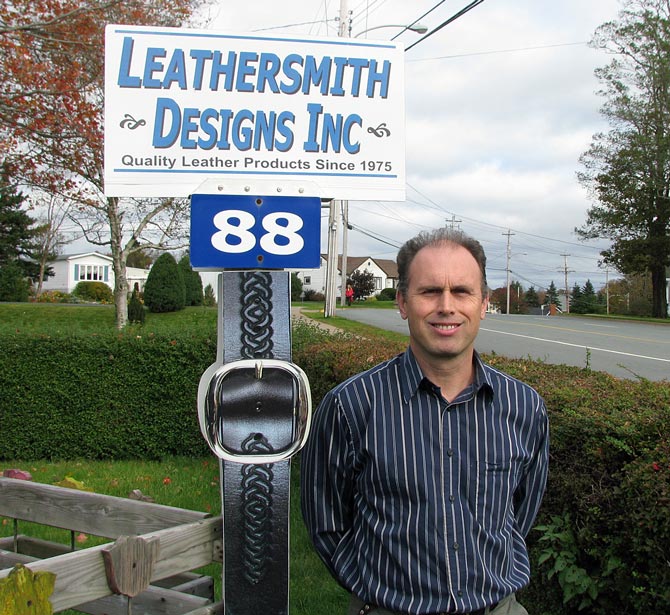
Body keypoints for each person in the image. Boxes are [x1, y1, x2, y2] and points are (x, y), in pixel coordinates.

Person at [301, 228, 549, 615]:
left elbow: (521, 513)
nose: (446, 306)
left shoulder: (524, 407)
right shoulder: (350, 406)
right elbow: (326, 522)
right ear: (402, 302)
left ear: (484, 303)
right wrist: (376, 586)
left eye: (462, 292)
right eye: (430, 291)